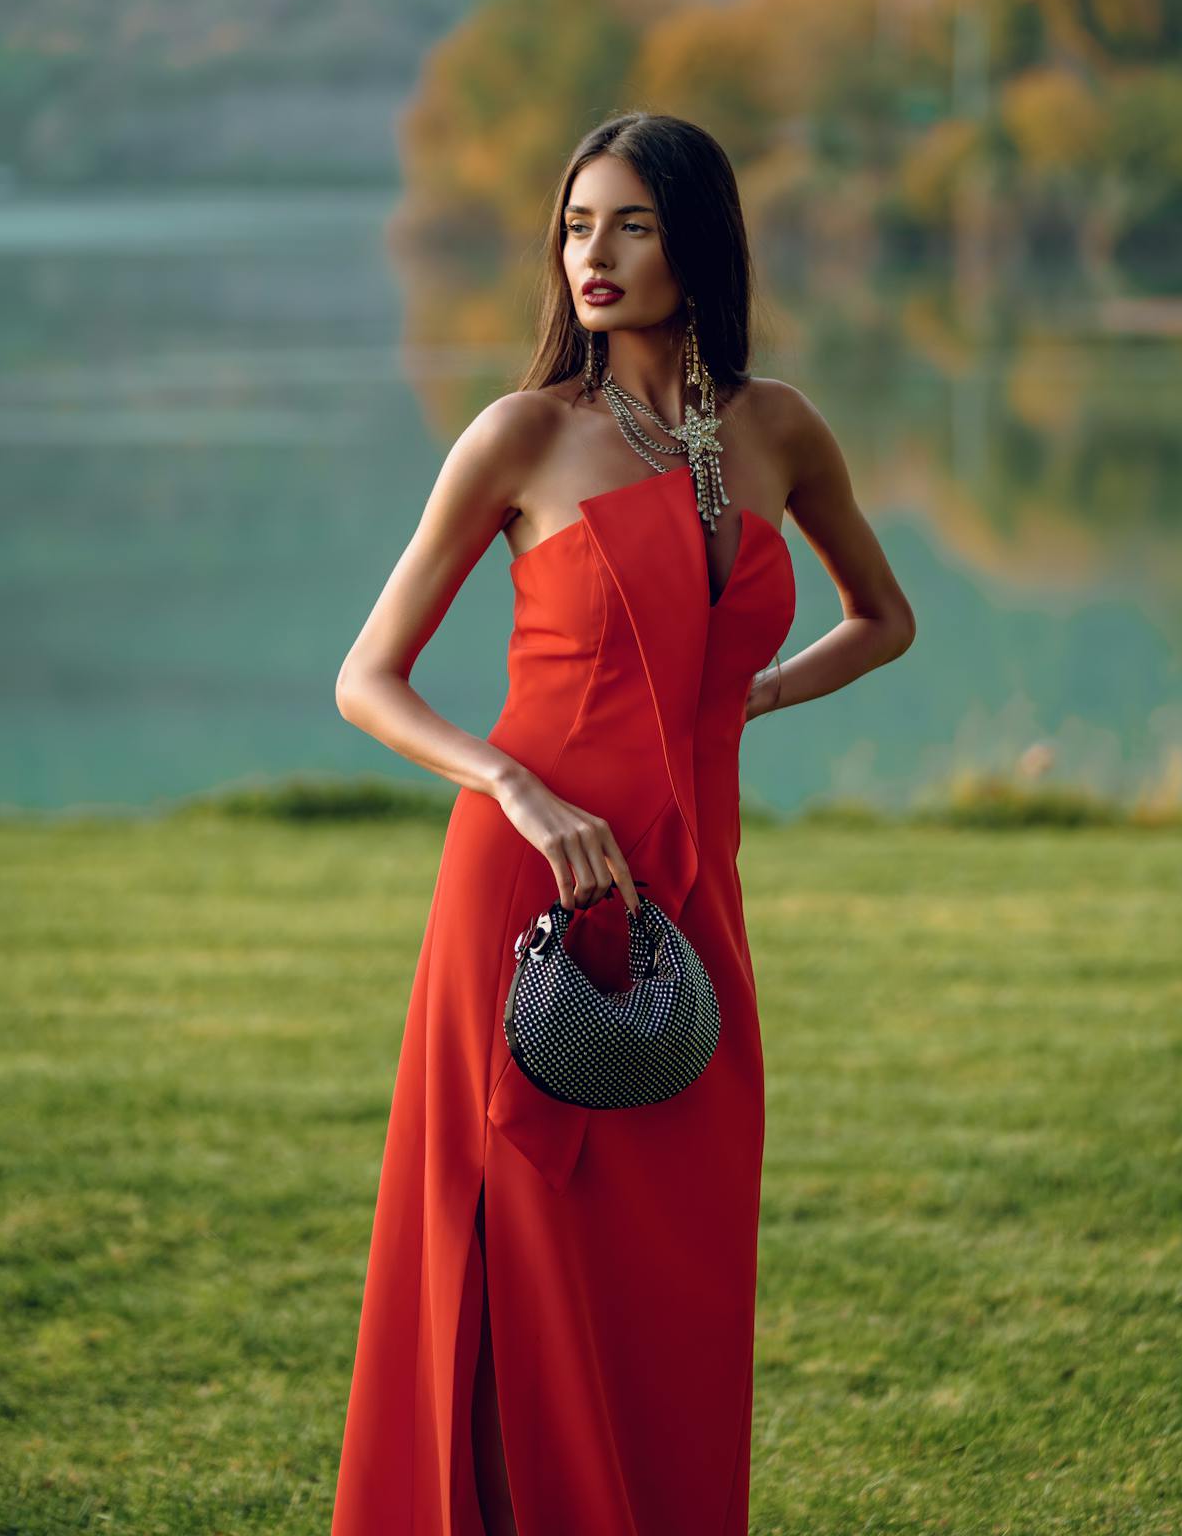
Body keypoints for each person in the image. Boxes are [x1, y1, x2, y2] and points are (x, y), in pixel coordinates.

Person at [329, 111, 916, 1536]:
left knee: (676, 1259)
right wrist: (516, 788)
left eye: (631, 224)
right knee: (522, 1247)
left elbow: (884, 620)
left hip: (692, 889)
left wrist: (745, 699)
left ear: (698, 241)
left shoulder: (775, 430)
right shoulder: (524, 434)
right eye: (578, 225)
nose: (593, 254)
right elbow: (366, 679)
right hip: (528, 884)